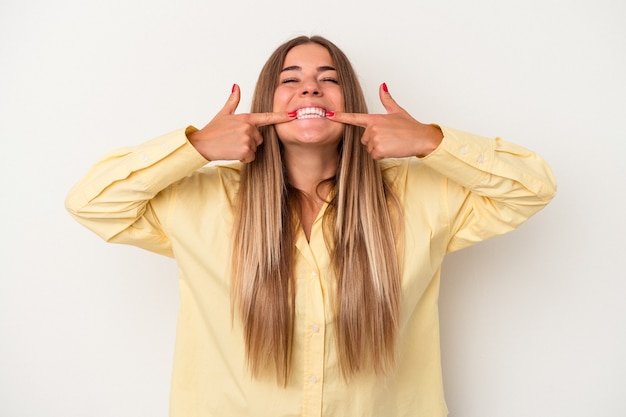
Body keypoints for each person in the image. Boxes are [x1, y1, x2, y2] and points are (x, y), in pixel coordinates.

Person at [65, 35, 556, 417]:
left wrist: (431, 141)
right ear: (266, 101)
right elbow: (93, 203)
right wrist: (194, 147)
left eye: (329, 77)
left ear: (350, 97)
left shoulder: (419, 195)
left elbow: (532, 188)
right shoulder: (204, 201)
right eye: (290, 77)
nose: (310, 87)